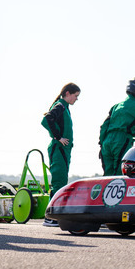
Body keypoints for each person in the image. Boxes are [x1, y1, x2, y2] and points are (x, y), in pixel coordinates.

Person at [41, 83, 80, 226]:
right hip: (58, 149)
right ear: (68, 93)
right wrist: (58, 137)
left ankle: (56, 214)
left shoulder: (65, 108)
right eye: (75, 96)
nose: (76, 99)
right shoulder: (60, 105)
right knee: (58, 181)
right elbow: (47, 119)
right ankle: (50, 217)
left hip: (64, 150)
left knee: (62, 181)